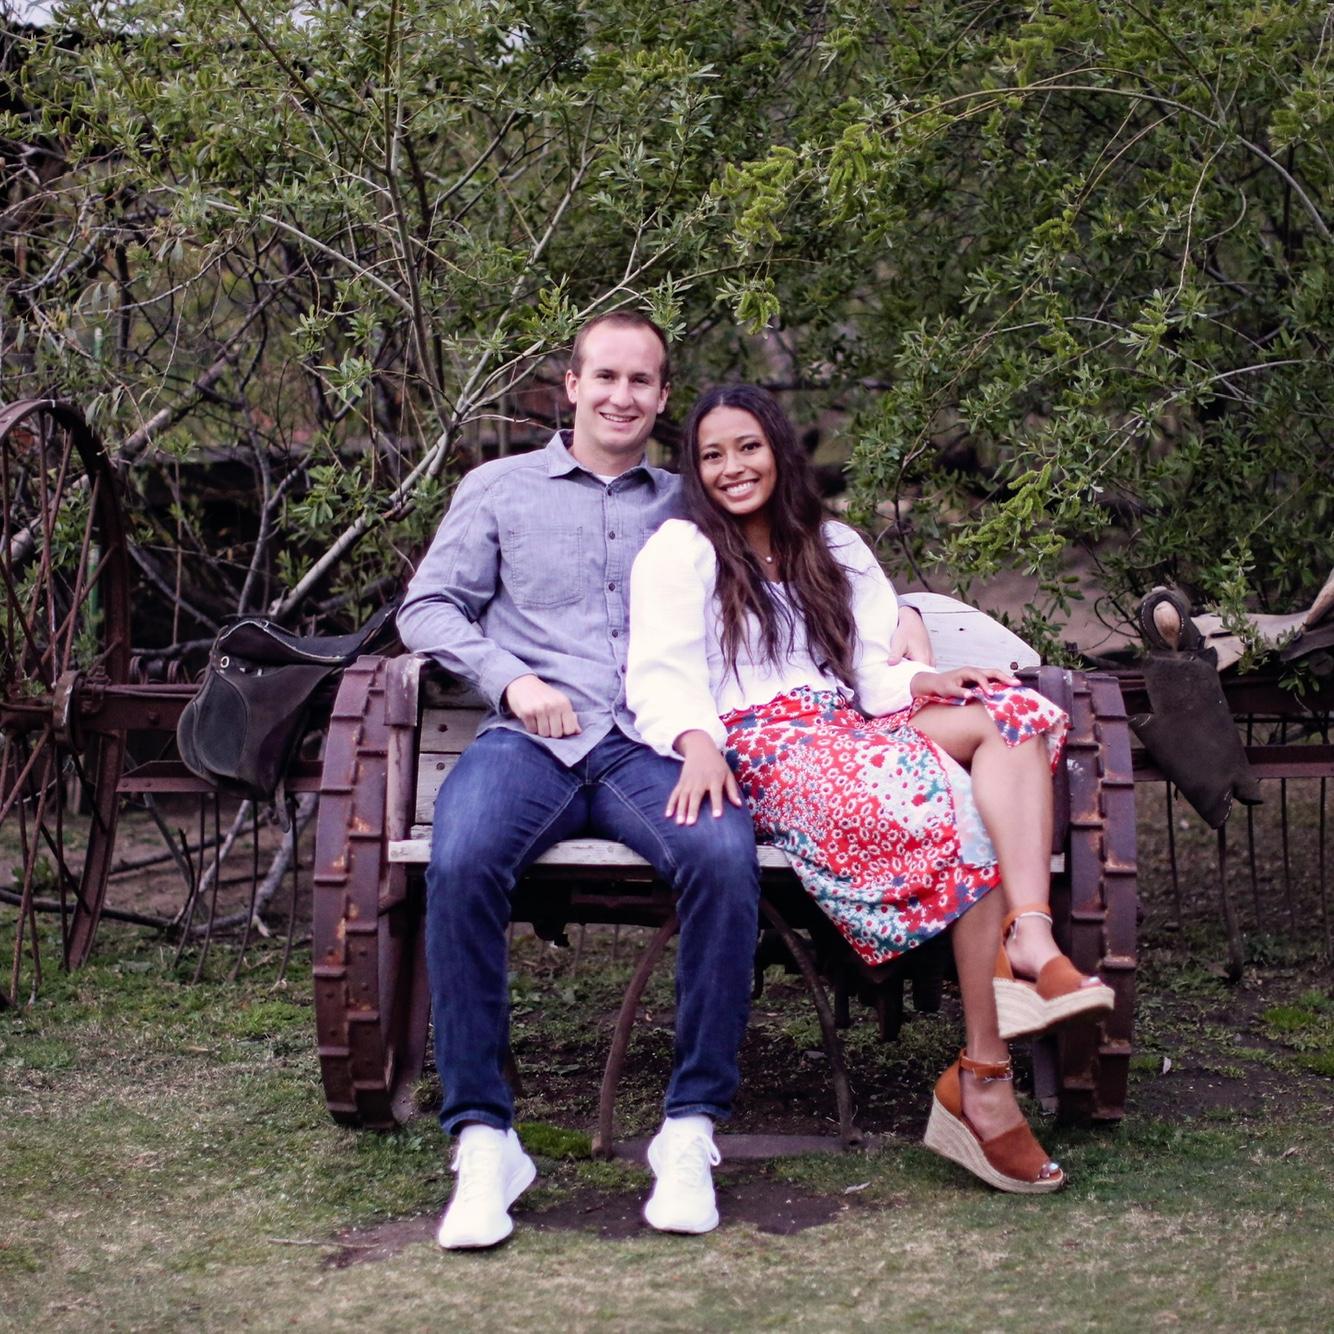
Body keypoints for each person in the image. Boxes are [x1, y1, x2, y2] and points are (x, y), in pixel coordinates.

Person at [398, 314, 928, 1246]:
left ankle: (689, 1128)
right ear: (571, 385)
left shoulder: (698, 499)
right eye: (605, 376)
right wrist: (510, 679)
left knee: (721, 855)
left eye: (641, 380)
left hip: (658, 748)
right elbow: (428, 608)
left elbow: (810, 564)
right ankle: (484, 1139)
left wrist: (905, 631)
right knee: (464, 857)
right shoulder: (498, 490)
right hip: (531, 741)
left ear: (662, 396)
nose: (622, 396)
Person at [626, 383, 1115, 1194]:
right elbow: (660, 674)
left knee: (1014, 714)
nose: (731, 467)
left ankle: (1031, 939)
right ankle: (984, 1086)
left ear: (779, 450)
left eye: (747, 447)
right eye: (711, 455)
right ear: (694, 468)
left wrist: (927, 679)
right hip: (764, 744)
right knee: (962, 812)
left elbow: (870, 668)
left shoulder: (832, 543)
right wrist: (697, 742)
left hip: (851, 726)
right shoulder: (682, 550)